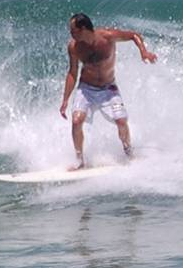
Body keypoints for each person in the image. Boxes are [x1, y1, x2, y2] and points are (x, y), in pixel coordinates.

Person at [59, 13, 157, 169]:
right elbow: (72, 72)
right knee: (76, 121)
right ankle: (80, 161)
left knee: (121, 121)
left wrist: (143, 52)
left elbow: (133, 35)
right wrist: (65, 100)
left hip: (108, 88)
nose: (71, 34)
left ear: (83, 29)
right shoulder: (74, 47)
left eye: (73, 30)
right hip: (86, 89)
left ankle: (129, 152)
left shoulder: (107, 36)